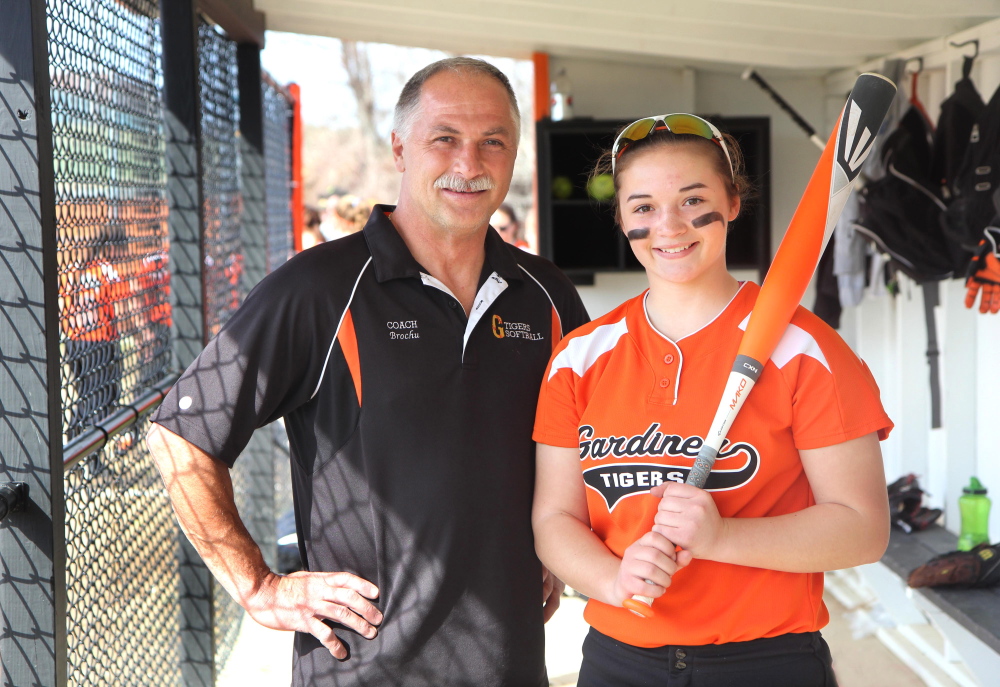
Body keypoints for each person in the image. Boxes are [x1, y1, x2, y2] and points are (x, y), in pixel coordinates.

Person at [147, 56, 588, 687]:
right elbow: (180, 436)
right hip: (362, 668)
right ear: (400, 147)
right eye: (445, 139)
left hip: (509, 662)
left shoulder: (544, 293)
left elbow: (583, 445)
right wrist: (257, 584)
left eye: (493, 141)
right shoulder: (318, 288)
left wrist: (562, 541)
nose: (470, 163)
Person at [531, 113, 893, 686]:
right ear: (621, 216)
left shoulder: (804, 350)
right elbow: (553, 517)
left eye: (691, 199)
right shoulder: (579, 357)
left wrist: (723, 537)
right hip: (617, 660)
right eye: (644, 206)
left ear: (732, 202)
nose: (669, 225)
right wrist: (611, 580)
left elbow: (863, 529)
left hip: (766, 662)